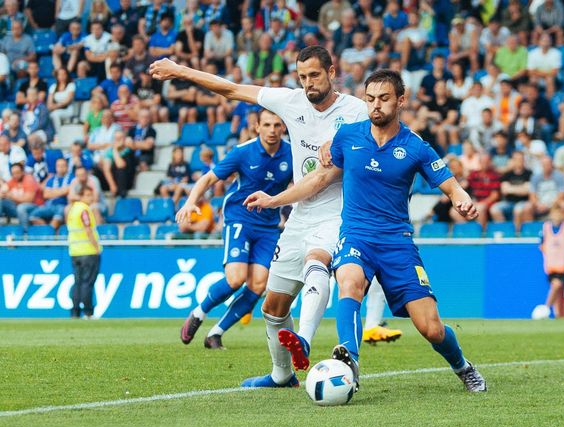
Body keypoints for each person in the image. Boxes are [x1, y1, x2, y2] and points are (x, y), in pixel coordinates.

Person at [150, 45, 397, 387]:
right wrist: (180, 71)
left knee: (317, 260)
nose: (309, 83)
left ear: (331, 72)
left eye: (314, 75)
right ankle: (282, 376)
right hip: (299, 213)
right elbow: (231, 88)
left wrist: (346, 142)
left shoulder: (356, 111)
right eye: (302, 77)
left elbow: (386, 137)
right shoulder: (291, 102)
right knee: (273, 305)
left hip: (339, 212)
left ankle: (306, 340)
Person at [246, 69, 486, 393]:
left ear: (401, 100)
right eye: (370, 98)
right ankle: (350, 363)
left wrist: (462, 200)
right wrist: (275, 200)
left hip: (396, 243)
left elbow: (450, 185)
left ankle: (463, 366)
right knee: (349, 281)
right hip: (355, 234)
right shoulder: (347, 137)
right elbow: (319, 179)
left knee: (431, 328)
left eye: (384, 99)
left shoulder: (415, 146)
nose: (376, 105)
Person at [176, 109, 292, 350]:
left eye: (277, 125)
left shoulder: (291, 154)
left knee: (259, 285)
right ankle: (198, 313)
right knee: (236, 278)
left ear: (283, 128)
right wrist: (190, 202)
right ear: (257, 127)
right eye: (267, 125)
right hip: (240, 218)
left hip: (269, 227)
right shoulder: (243, 152)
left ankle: (216, 333)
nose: (272, 130)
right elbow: (208, 179)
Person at [66, 185, 102, 319]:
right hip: (88, 251)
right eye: (88, 195)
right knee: (87, 283)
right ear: (81, 196)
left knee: (78, 282)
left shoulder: (72, 210)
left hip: (74, 252)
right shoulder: (84, 210)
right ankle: (88, 312)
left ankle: (75, 312)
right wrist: (96, 247)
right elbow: (88, 230)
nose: (91, 198)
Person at [539, 204, 564, 318]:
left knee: (556, 286)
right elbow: (541, 245)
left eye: (559, 214)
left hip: (563, 265)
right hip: (551, 265)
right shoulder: (545, 228)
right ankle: (554, 312)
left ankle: (547, 308)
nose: (557, 216)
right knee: (556, 286)